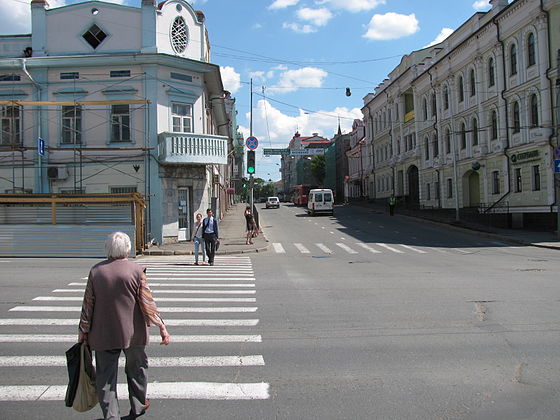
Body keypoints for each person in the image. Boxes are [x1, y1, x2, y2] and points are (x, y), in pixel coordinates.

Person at [78, 232, 171, 420]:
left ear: (108, 249)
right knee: (137, 370)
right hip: (133, 332)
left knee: (105, 377)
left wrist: (83, 331)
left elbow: (88, 305)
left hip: (103, 333)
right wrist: (161, 326)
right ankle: (138, 406)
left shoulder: (96, 271)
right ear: (128, 249)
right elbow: (147, 302)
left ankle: (111, 416)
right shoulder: (137, 270)